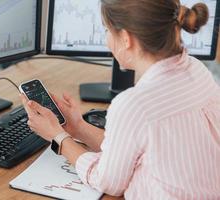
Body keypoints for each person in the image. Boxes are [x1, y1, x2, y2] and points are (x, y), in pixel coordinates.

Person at [20, 0, 220, 199]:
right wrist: (78, 126)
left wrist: (57, 137)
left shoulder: (135, 104)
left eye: (107, 29)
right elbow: (128, 148)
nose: (106, 37)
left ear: (126, 38)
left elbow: (108, 181)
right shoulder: (196, 69)